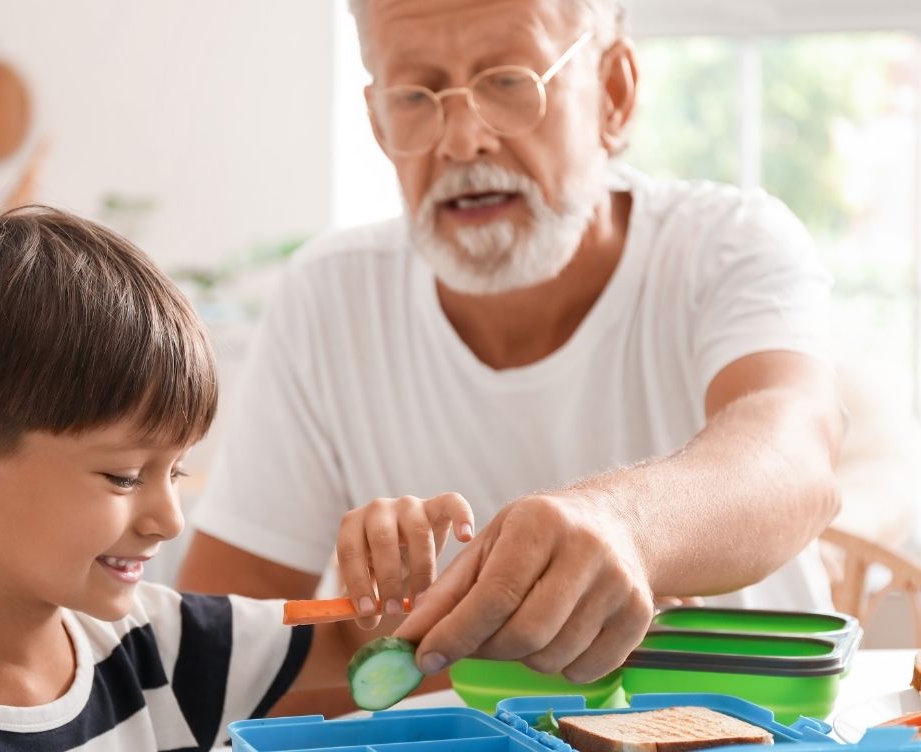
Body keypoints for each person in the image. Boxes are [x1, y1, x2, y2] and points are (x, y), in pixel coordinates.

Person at [179, 0, 845, 710]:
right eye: (416, 95)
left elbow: (795, 460)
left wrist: (627, 524)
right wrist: (369, 637)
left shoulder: (729, 243)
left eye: (507, 81)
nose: (463, 141)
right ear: (378, 120)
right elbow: (210, 666)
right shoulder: (328, 294)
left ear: (614, 93)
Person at [0, 207, 438, 751]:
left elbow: (360, 643)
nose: (170, 519)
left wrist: (393, 569)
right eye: (123, 476)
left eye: (174, 471)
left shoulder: (161, 644)